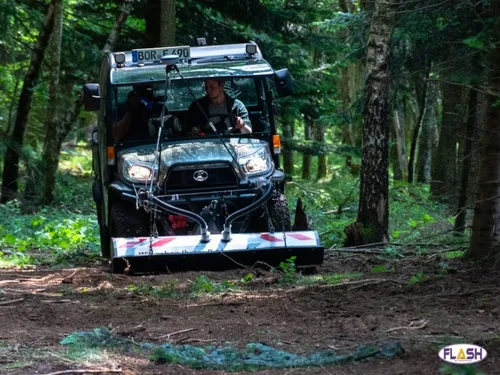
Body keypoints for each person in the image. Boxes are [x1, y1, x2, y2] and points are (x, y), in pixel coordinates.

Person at [186, 79, 252, 135]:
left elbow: (248, 133)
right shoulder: (197, 107)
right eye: (206, 87)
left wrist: (242, 125)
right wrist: (195, 132)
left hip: (232, 146)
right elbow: (187, 132)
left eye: (212, 86)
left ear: (222, 85)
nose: (208, 90)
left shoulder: (237, 106)